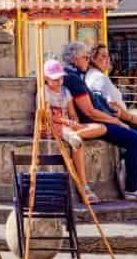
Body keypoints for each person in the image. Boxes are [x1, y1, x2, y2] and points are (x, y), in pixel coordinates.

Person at [60, 40, 137, 200]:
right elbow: (90, 111)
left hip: (93, 118)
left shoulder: (73, 75)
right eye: (85, 58)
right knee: (135, 138)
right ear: (74, 59)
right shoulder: (74, 79)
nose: (88, 60)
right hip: (91, 122)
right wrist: (116, 122)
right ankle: (132, 187)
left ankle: (132, 178)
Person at [88, 43, 137, 199]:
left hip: (110, 118)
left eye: (108, 56)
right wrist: (132, 119)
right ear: (92, 60)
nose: (107, 59)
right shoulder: (99, 79)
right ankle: (133, 185)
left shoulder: (96, 76)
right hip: (112, 119)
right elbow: (112, 105)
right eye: (102, 56)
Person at [41, 60, 104, 198]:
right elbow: (48, 116)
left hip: (68, 125)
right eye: (55, 79)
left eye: (61, 78)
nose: (59, 81)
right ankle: (83, 185)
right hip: (54, 125)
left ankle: (74, 135)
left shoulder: (66, 91)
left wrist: (74, 122)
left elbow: (72, 112)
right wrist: (66, 122)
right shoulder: (43, 93)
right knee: (76, 141)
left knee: (101, 128)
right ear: (46, 78)